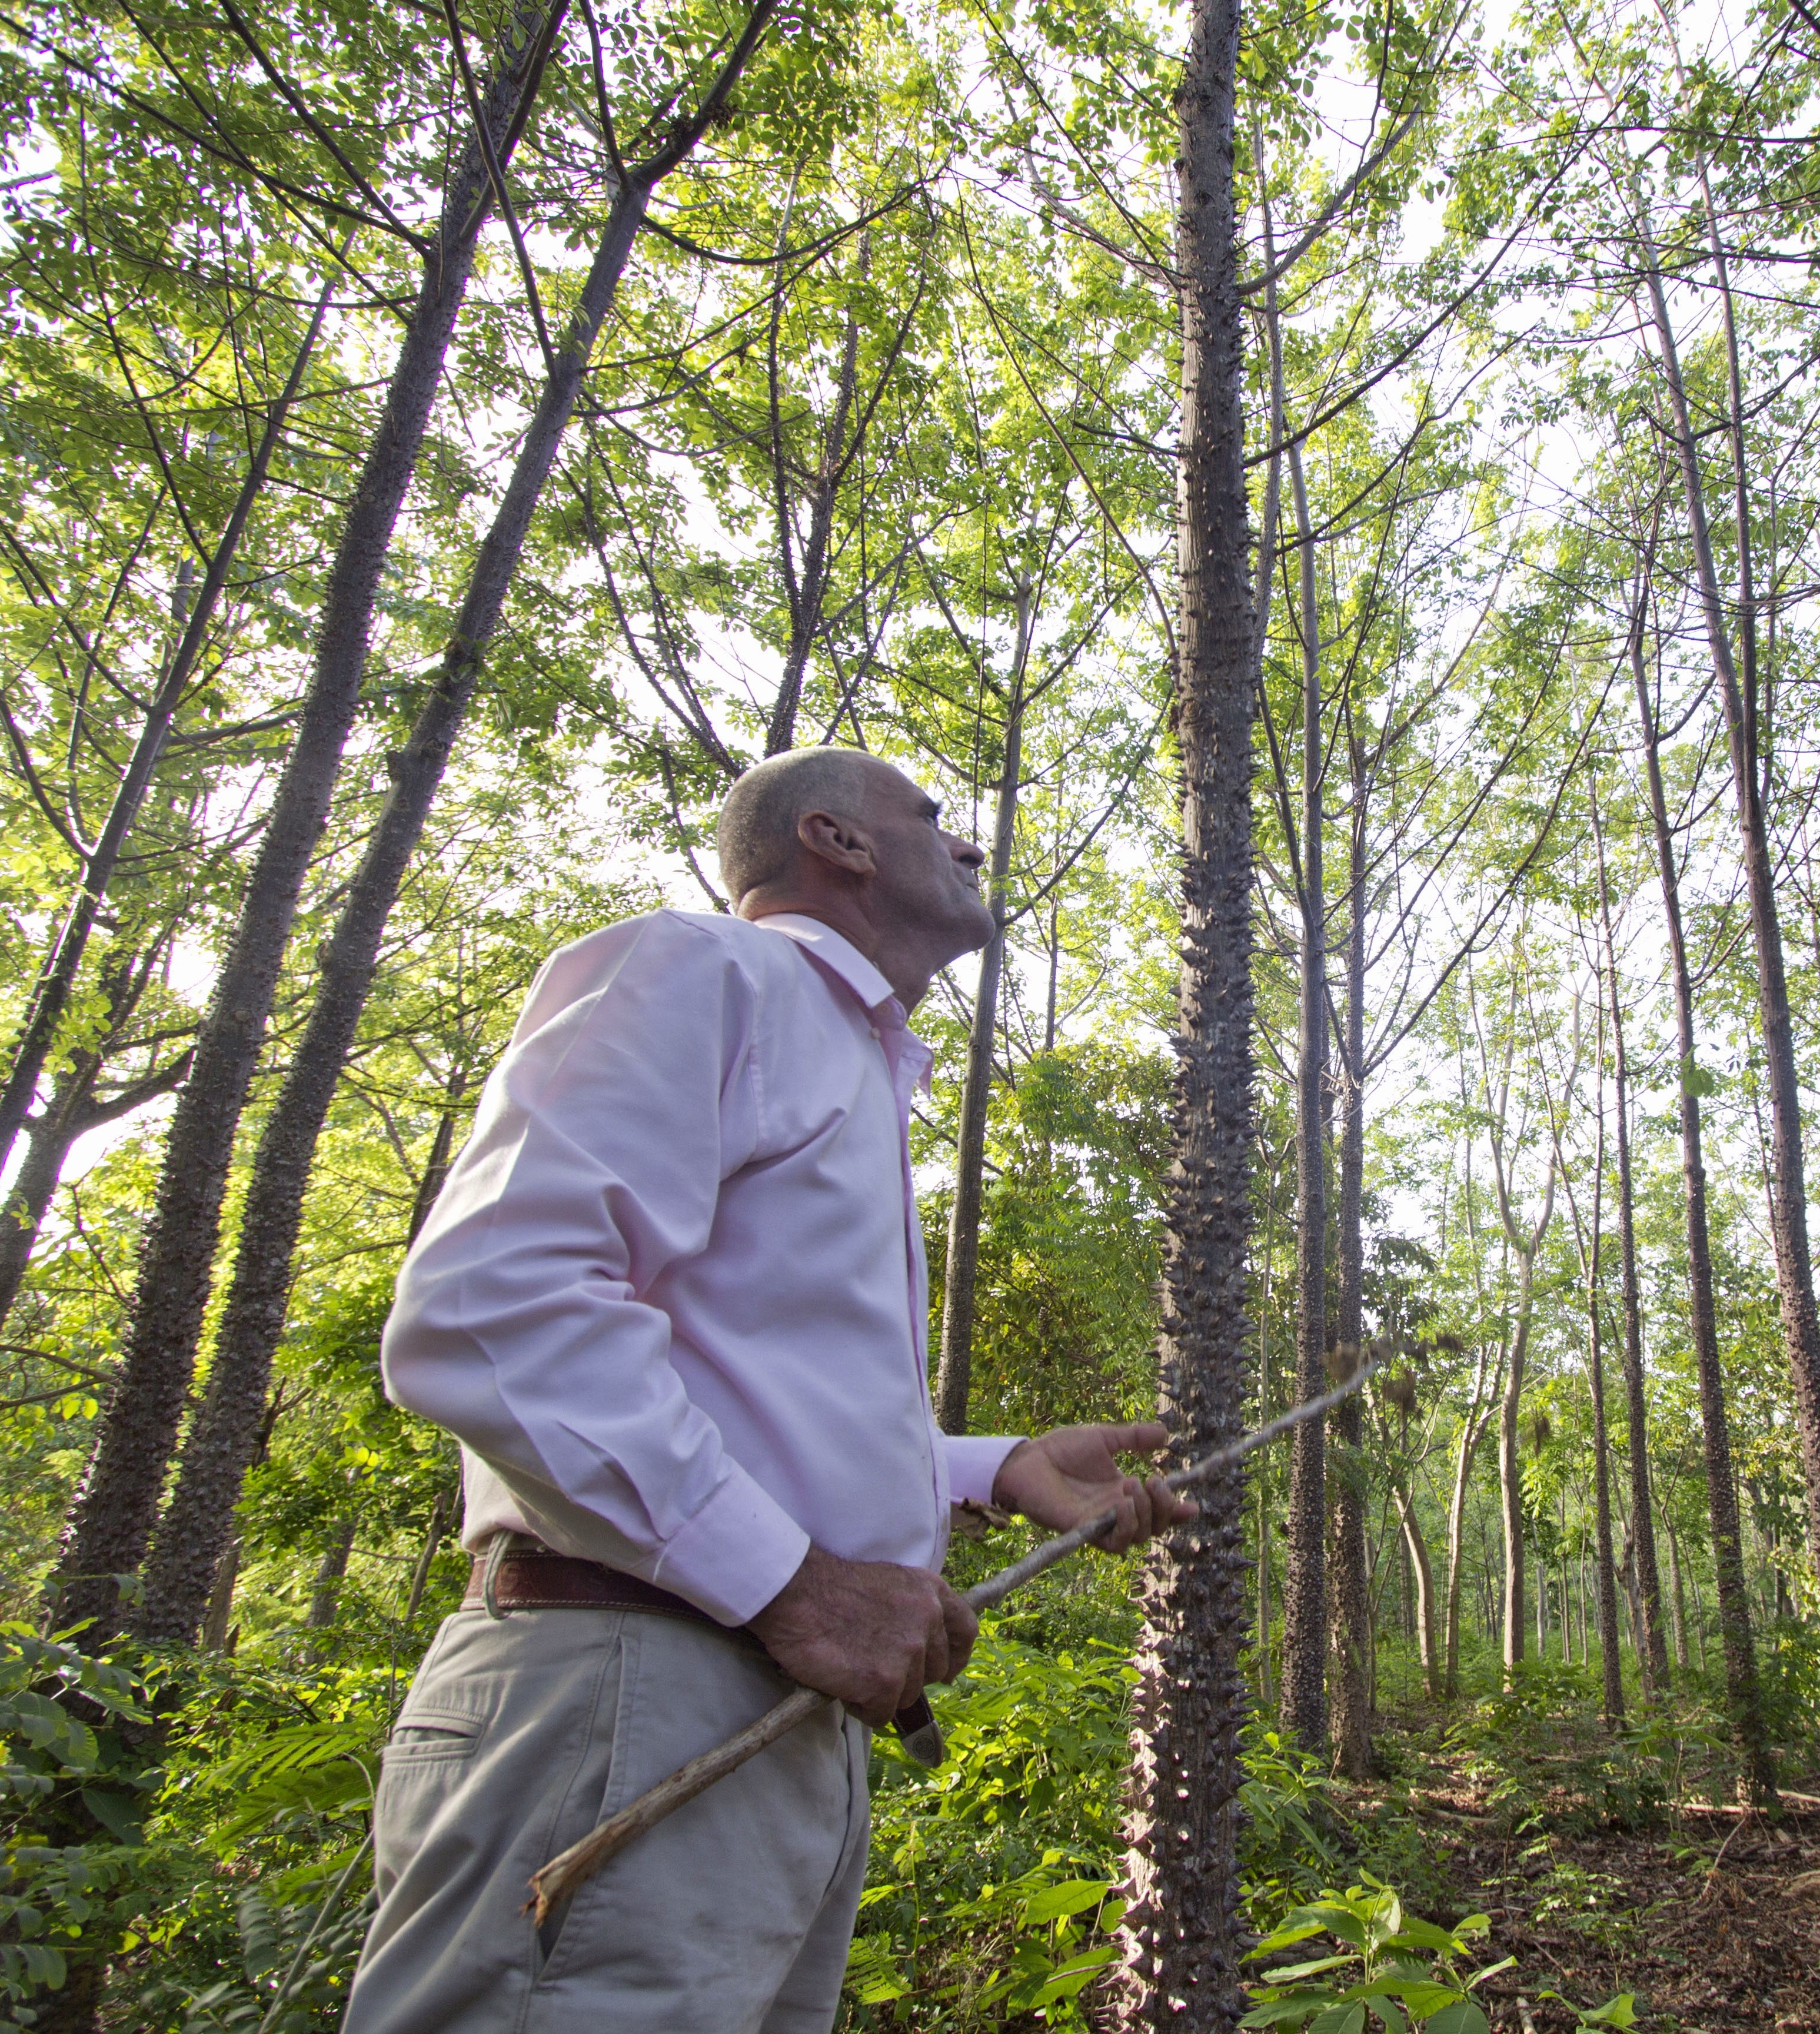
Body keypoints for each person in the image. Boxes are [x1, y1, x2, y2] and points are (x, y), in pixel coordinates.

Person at [343, 747, 1195, 2033]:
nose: (967, 848)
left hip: (767, 1718)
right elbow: (494, 1310)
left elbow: (748, 1392)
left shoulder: (854, 1068)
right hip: (631, 1687)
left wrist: (981, 1467)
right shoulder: (703, 974)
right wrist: (795, 1585)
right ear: (837, 843)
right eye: (935, 820)